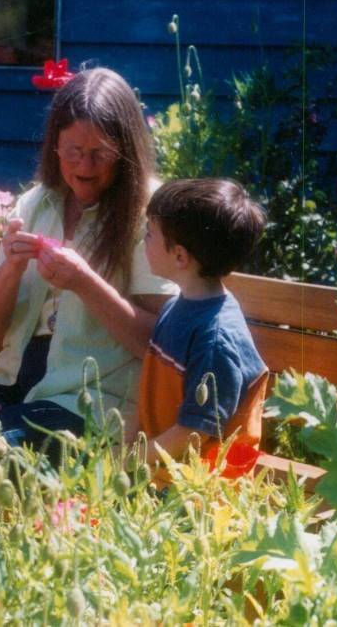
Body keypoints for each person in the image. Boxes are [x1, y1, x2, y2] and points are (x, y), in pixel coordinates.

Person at [0, 67, 177, 461]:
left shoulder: (150, 213)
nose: (84, 166)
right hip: (16, 382)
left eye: (100, 153)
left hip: (92, 404)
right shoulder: (36, 204)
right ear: (54, 145)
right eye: (73, 150)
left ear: (126, 151)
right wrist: (11, 270)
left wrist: (85, 282)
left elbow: (156, 346)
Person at [126, 178, 269, 469]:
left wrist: (124, 461)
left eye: (150, 233)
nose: (143, 241)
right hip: (161, 471)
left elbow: (193, 435)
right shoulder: (178, 306)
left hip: (203, 495)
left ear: (179, 256)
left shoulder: (216, 338)